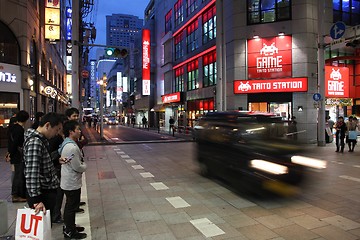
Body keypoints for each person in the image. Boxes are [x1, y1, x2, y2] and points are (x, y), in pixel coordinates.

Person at [23, 112, 64, 217]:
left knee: (45, 227)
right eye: (57, 129)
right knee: (42, 228)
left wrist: (55, 161)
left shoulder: (41, 140)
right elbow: (32, 173)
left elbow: (40, 164)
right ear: (47, 125)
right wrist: (36, 200)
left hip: (45, 190)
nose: (57, 133)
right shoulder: (35, 142)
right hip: (43, 193)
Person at [59, 120, 87, 239]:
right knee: (71, 207)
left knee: (70, 206)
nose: (80, 131)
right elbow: (77, 166)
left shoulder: (68, 143)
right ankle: (70, 231)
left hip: (68, 180)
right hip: (71, 181)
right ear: (71, 132)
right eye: (78, 129)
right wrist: (85, 166)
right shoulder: (71, 147)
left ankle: (70, 227)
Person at [7, 110, 29, 202]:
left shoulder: (12, 128)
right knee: (18, 175)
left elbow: (11, 142)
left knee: (17, 174)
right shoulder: (20, 129)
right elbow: (16, 143)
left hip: (14, 153)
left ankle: (17, 194)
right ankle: (16, 195)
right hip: (18, 154)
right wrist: (11, 154)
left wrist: (9, 152)